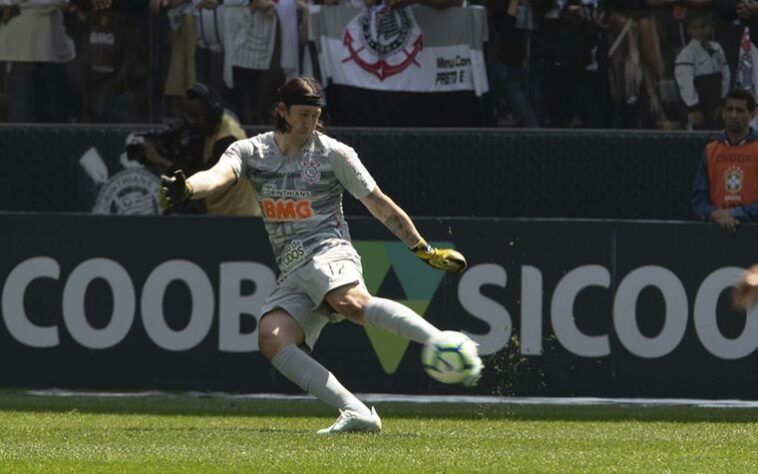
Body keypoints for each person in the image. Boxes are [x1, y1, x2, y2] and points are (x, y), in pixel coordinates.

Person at [159, 76, 481, 434]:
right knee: (272, 337)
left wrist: (422, 249)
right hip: (293, 267)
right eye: (303, 115)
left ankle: (442, 341)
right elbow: (218, 176)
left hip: (329, 249)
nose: (310, 123)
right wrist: (188, 187)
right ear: (281, 111)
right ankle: (357, 413)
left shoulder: (335, 154)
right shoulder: (251, 151)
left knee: (351, 302)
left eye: (315, 115)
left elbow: (379, 204)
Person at [144, 83, 260, 216]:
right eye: (189, 116)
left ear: (212, 113)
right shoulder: (213, 127)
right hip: (219, 211)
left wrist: (160, 161)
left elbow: (204, 180)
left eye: (196, 116)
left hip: (237, 216)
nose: (192, 122)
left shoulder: (227, 141)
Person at [692, 88, 758, 233]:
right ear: (723, 113)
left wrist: (733, 214)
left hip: (753, 231)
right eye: (729, 109)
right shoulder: (710, 150)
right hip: (717, 230)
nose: (733, 115)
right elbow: (699, 197)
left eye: (740, 111)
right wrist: (714, 214)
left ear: (752, 115)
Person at [674, 12, 730, 130]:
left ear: (711, 27)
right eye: (695, 28)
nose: (700, 31)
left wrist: (723, 101)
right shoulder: (686, 54)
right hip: (696, 101)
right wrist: (693, 108)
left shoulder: (717, 48)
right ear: (689, 30)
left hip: (715, 101)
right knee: (696, 132)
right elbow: (685, 83)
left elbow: (725, 75)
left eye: (704, 26)